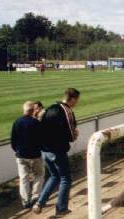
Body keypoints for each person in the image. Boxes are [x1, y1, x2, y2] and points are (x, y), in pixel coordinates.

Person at [33, 88, 80, 217]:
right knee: (66, 178)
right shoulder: (67, 110)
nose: (77, 103)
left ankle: (39, 203)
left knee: (54, 176)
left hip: (45, 151)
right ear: (73, 99)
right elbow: (72, 134)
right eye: (77, 101)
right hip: (57, 150)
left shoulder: (51, 107)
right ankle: (61, 209)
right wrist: (74, 136)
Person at [11, 101, 44, 209]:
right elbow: (41, 139)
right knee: (39, 175)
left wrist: (17, 150)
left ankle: (25, 200)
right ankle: (35, 195)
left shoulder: (17, 122)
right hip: (35, 155)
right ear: (32, 110)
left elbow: (13, 140)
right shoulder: (36, 123)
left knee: (23, 178)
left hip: (21, 155)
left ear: (24, 110)